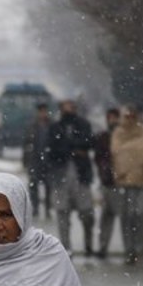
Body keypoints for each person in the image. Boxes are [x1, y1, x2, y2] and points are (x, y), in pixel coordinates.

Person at [111, 105, 143, 266]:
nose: (130, 119)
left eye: (133, 116)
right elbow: (117, 153)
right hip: (125, 182)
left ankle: (141, 250)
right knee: (127, 218)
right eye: (128, 116)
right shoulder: (119, 133)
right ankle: (129, 251)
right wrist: (137, 152)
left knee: (141, 216)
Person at [52, 99, 95, 256]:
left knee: (87, 213)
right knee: (62, 213)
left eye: (71, 107)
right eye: (66, 107)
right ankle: (66, 247)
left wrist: (69, 145)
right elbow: (53, 148)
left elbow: (88, 142)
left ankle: (88, 246)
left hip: (81, 175)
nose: (69, 110)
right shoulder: (56, 127)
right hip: (61, 176)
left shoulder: (83, 124)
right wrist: (73, 148)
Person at [92, 108, 122, 260]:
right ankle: (103, 247)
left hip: (123, 182)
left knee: (125, 218)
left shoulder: (123, 135)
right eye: (109, 117)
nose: (112, 120)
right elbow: (98, 157)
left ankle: (131, 250)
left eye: (114, 117)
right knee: (106, 216)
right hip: (108, 181)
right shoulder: (104, 137)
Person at [22, 102, 56, 220]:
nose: (42, 114)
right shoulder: (32, 126)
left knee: (48, 186)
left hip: (48, 161)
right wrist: (25, 161)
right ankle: (35, 208)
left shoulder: (52, 126)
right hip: (34, 161)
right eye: (40, 111)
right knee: (33, 186)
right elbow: (26, 144)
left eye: (44, 111)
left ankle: (48, 209)